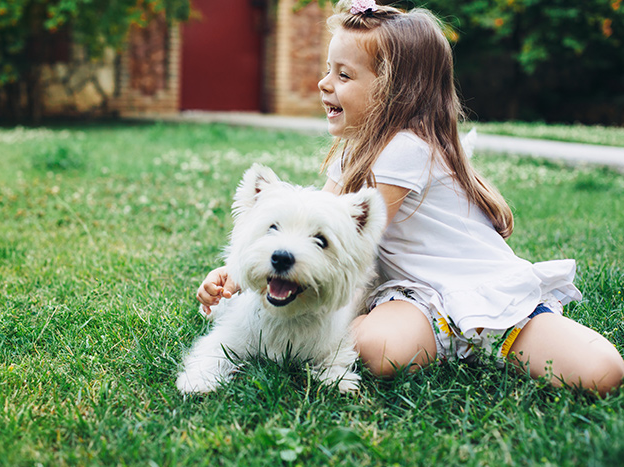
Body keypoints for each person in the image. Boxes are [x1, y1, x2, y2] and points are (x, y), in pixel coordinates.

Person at [197, 0, 624, 396]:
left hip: (485, 293)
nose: (324, 83)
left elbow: (346, 246)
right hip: (418, 301)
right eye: (329, 70)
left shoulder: (406, 147)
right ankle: (443, 343)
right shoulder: (353, 153)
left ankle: (490, 342)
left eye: (343, 75)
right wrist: (236, 273)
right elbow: (310, 226)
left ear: (393, 90)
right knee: (381, 352)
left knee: (603, 373)